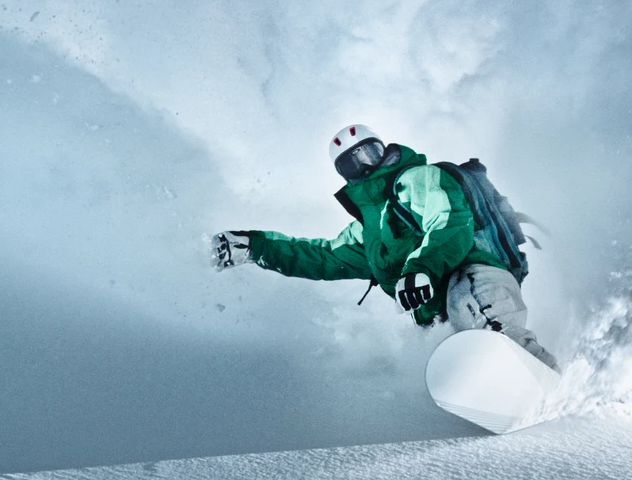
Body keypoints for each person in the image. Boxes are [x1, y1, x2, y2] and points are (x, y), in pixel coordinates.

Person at [212, 124, 558, 370]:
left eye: (369, 152)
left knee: (489, 326)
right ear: (344, 174)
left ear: (384, 149)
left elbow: (450, 220)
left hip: (473, 273)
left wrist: (420, 269)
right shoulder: (370, 232)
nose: (364, 164)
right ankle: (496, 401)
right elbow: (322, 257)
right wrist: (254, 247)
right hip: (437, 311)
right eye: (351, 162)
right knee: (463, 356)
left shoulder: (416, 179)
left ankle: (540, 377)